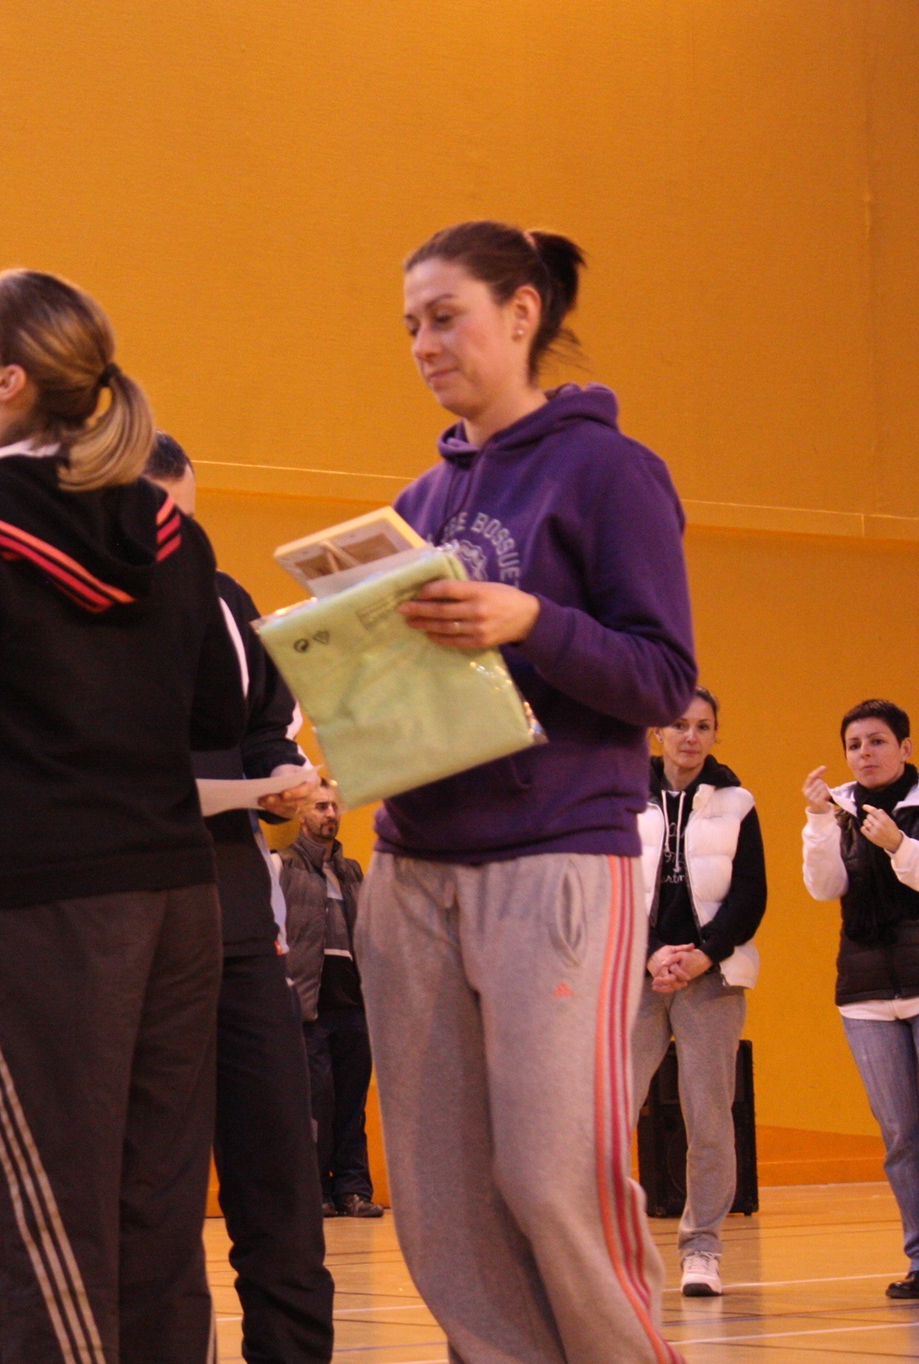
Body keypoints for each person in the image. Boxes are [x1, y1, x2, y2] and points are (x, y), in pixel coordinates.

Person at [361, 221, 698, 1363]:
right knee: (441, 1202)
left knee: (553, 1176)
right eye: (410, 324)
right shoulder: (418, 497)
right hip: (412, 862)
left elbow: (662, 678)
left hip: (554, 854)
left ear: (521, 313)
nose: (423, 343)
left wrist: (533, 621)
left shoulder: (609, 471)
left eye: (443, 316)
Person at [0, 269, 245, 1362]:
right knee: (155, 1210)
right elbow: (221, 709)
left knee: (42, 1213)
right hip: (178, 895)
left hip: (35, 903)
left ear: (8, 380)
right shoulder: (167, 526)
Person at [145, 433, 336, 1363]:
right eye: (158, 519)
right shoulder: (79, 611)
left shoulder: (225, 600)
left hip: (238, 924)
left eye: (189, 519)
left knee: (281, 1177)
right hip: (131, 924)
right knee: (159, 1188)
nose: (177, 540)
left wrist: (284, 778)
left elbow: (264, 727)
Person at [630, 685, 766, 1298]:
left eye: (703, 726)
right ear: (657, 732)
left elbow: (751, 894)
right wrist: (651, 952)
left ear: (715, 735)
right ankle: (608, 1245)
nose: (690, 736)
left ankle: (702, 1249)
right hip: (635, 976)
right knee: (609, 1115)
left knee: (708, 1117)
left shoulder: (738, 803)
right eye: (679, 724)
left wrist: (704, 953)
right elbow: (606, 883)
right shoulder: (622, 797)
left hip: (712, 978)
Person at [802, 697, 919, 1300]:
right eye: (854, 745)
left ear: (905, 747)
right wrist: (818, 820)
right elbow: (825, 888)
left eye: (877, 741)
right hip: (865, 994)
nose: (865, 754)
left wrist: (900, 844)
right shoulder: (842, 811)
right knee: (899, 1135)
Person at [281, 779, 384, 1222]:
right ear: (301, 814)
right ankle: (316, 1189)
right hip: (310, 1004)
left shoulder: (352, 872)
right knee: (316, 1101)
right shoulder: (284, 866)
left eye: (334, 807)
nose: (330, 815)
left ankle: (353, 1189)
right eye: (321, 806)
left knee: (352, 1102)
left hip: (353, 1003)